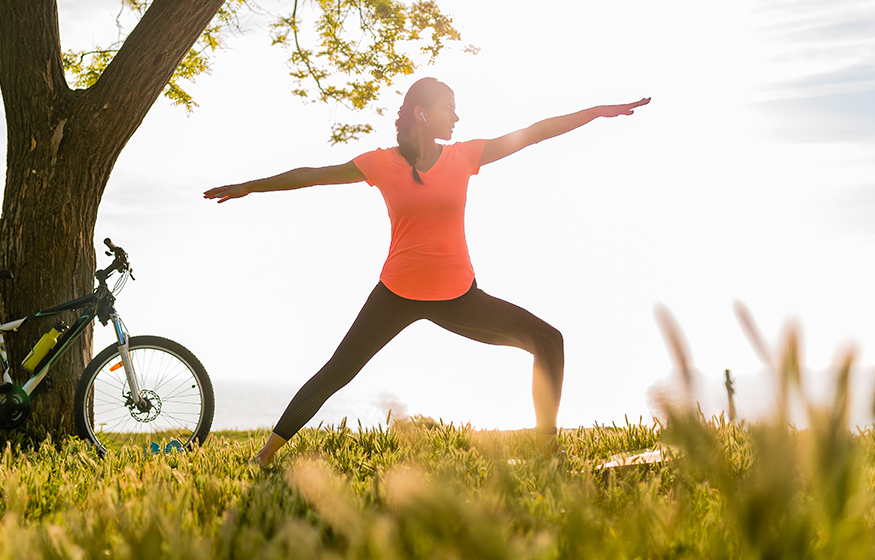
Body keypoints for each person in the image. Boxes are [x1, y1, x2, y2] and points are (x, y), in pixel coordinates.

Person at [204, 77, 650, 465]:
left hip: (458, 297)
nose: (456, 116)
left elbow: (534, 133)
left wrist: (595, 112)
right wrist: (251, 186)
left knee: (548, 341)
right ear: (421, 113)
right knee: (337, 371)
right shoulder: (381, 163)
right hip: (396, 294)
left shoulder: (465, 156)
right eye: (448, 108)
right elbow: (313, 175)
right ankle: (265, 454)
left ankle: (547, 450)